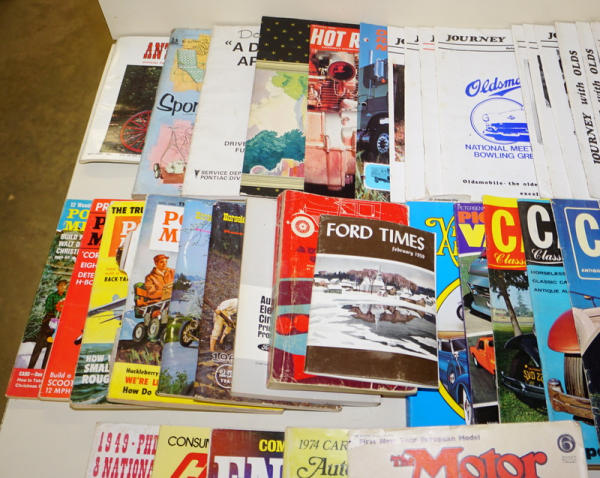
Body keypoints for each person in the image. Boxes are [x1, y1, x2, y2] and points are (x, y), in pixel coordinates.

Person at [28, 279, 67, 369]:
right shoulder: (52, 296)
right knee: (39, 344)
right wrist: (57, 307)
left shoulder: (67, 296)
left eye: (64, 285)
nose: (63, 287)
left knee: (51, 346)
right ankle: (30, 367)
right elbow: (48, 307)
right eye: (61, 285)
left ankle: (44, 368)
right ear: (57, 286)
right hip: (48, 322)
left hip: (59, 324)